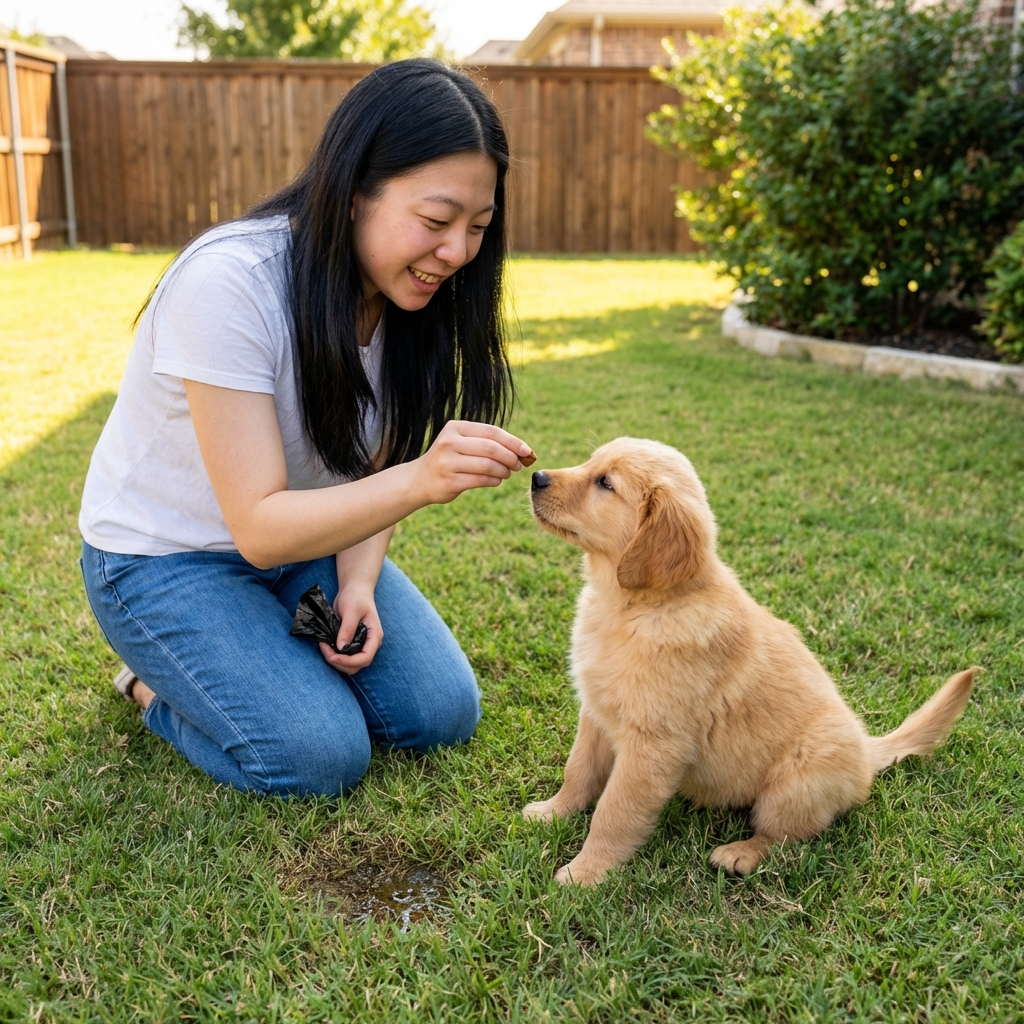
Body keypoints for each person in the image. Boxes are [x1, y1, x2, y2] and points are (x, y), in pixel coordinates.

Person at [78, 60, 531, 797]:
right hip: (164, 561)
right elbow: (258, 525)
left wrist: (356, 582)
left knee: (440, 713)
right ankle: (153, 686)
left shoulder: (412, 300)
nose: (457, 253)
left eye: (478, 227)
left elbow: (368, 470)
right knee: (320, 756)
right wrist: (421, 482)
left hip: (304, 551)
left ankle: (256, 657)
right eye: (436, 221)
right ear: (355, 194)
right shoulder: (229, 285)